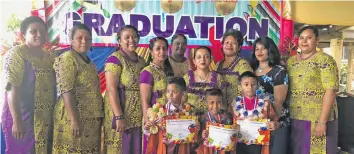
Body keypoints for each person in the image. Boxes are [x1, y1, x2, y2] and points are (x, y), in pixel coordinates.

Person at [1, 16, 56, 154]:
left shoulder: (49, 57)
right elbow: (12, 88)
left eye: (42, 32)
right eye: (34, 31)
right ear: (24, 34)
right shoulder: (17, 54)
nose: (39, 35)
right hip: (22, 116)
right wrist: (17, 121)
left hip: (44, 118)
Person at [52, 23, 103, 153]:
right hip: (74, 117)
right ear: (71, 40)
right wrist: (73, 119)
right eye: (79, 38)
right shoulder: (68, 58)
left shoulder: (89, 61)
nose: (84, 41)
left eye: (87, 38)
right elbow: (66, 90)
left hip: (89, 120)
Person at [287, 26, 339, 154]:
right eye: (301, 38)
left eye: (309, 38)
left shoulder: (325, 60)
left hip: (318, 118)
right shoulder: (291, 62)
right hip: (296, 117)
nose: (304, 41)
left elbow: (331, 90)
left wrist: (322, 121)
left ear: (317, 41)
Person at [103, 25, 146, 154]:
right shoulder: (114, 59)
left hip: (137, 114)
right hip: (120, 113)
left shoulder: (142, 61)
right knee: (120, 148)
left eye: (134, 37)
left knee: (135, 148)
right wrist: (118, 116)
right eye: (127, 37)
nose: (131, 40)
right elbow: (111, 89)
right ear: (119, 41)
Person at [250, 37, 289, 154]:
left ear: (270, 50)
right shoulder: (251, 71)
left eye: (263, 48)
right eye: (257, 49)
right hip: (256, 123)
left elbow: (278, 102)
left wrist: (273, 122)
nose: (259, 52)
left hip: (276, 123)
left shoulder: (279, 71)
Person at [144, 76, 197, 154]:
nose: (170, 95)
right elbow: (151, 134)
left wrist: (196, 129)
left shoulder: (189, 112)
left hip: (183, 150)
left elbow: (193, 136)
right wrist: (147, 128)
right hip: (165, 149)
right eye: (168, 91)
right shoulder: (159, 111)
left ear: (183, 93)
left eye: (174, 92)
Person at [140, 37, 173, 154]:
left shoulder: (169, 71)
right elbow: (145, 100)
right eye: (158, 49)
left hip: (169, 118)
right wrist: (148, 121)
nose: (162, 52)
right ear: (151, 51)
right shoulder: (147, 72)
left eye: (164, 48)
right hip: (155, 120)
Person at [232, 71, 278, 154]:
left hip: (259, 143)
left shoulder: (265, 103)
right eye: (246, 84)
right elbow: (229, 123)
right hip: (240, 142)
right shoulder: (234, 104)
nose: (250, 87)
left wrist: (274, 124)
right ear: (240, 87)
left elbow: (275, 119)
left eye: (253, 84)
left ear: (257, 86)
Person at [184, 46, 229, 114]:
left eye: (206, 57)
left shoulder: (218, 78)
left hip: (213, 120)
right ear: (194, 61)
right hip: (191, 118)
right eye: (199, 57)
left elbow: (224, 103)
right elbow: (182, 102)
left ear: (211, 60)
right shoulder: (187, 78)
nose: (202, 60)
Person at [216, 29, 253, 105]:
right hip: (219, 109)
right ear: (222, 45)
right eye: (227, 42)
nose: (229, 45)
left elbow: (249, 89)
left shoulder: (243, 65)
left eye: (234, 43)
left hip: (238, 110)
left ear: (239, 47)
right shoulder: (218, 65)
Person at [196, 88, 235, 154]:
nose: (215, 106)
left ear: (222, 102)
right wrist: (202, 136)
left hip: (223, 150)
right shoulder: (201, 119)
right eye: (212, 102)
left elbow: (232, 135)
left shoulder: (227, 118)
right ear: (206, 103)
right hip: (207, 150)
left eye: (218, 102)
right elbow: (197, 139)